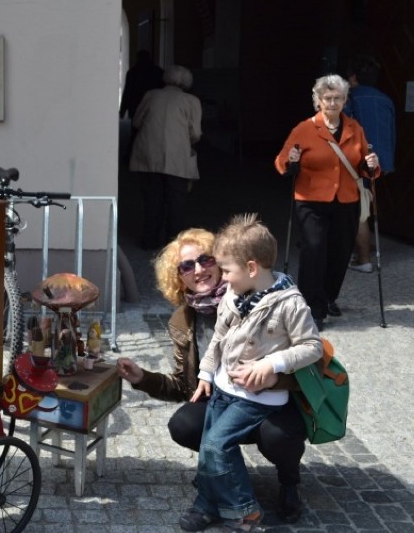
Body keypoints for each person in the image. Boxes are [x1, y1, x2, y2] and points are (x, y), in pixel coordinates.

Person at [117, 227, 308, 524]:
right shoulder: (183, 319)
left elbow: (307, 360)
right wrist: (142, 377)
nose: (198, 270)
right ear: (178, 277)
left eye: (206, 260)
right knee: (188, 426)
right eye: (186, 265)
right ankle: (214, 495)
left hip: (270, 402)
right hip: (222, 394)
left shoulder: (257, 298)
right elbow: (184, 385)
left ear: (222, 262)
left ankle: (288, 483)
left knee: (277, 436)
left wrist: (273, 375)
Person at [176, 214, 323, 532]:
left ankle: (244, 512)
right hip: (223, 390)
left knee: (216, 446)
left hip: (258, 399)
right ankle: (206, 504)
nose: (223, 278)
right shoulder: (232, 295)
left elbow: (312, 347)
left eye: (227, 270)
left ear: (252, 268)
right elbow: (218, 336)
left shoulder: (289, 304)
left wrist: (272, 364)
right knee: (208, 445)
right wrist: (205, 372)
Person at [274, 74, 380, 330]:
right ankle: (312, 310)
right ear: (318, 101)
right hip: (311, 200)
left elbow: (365, 164)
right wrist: (292, 159)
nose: (333, 102)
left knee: (340, 253)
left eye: (338, 98)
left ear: (345, 100)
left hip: (346, 199)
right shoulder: (304, 129)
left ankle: (328, 297)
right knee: (314, 251)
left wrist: (371, 166)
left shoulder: (355, 128)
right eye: (328, 98)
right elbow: (281, 162)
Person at [129, 65, 202, 250]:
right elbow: (196, 133)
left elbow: (136, 121)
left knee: (152, 199)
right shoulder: (191, 101)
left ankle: (149, 240)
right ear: (187, 82)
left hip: (148, 154)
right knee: (177, 201)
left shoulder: (151, 95)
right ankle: (174, 245)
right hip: (177, 158)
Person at [344, 55, 396, 273]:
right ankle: (363, 249)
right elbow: (392, 131)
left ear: (353, 77)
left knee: (359, 211)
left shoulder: (350, 99)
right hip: (380, 159)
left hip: (357, 161)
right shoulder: (386, 99)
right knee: (367, 202)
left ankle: (364, 259)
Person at [119, 49, 164, 121]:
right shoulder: (159, 72)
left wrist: (122, 112)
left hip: (135, 106)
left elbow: (127, 92)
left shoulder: (132, 72)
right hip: (153, 105)